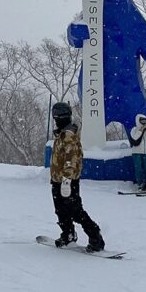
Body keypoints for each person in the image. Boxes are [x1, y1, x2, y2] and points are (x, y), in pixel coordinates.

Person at [50, 102, 105, 252]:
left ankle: (95, 237)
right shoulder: (61, 134)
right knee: (61, 210)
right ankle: (68, 234)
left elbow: (72, 158)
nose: (55, 120)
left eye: (57, 117)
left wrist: (67, 180)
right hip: (57, 180)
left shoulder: (69, 136)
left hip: (68, 181)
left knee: (75, 211)